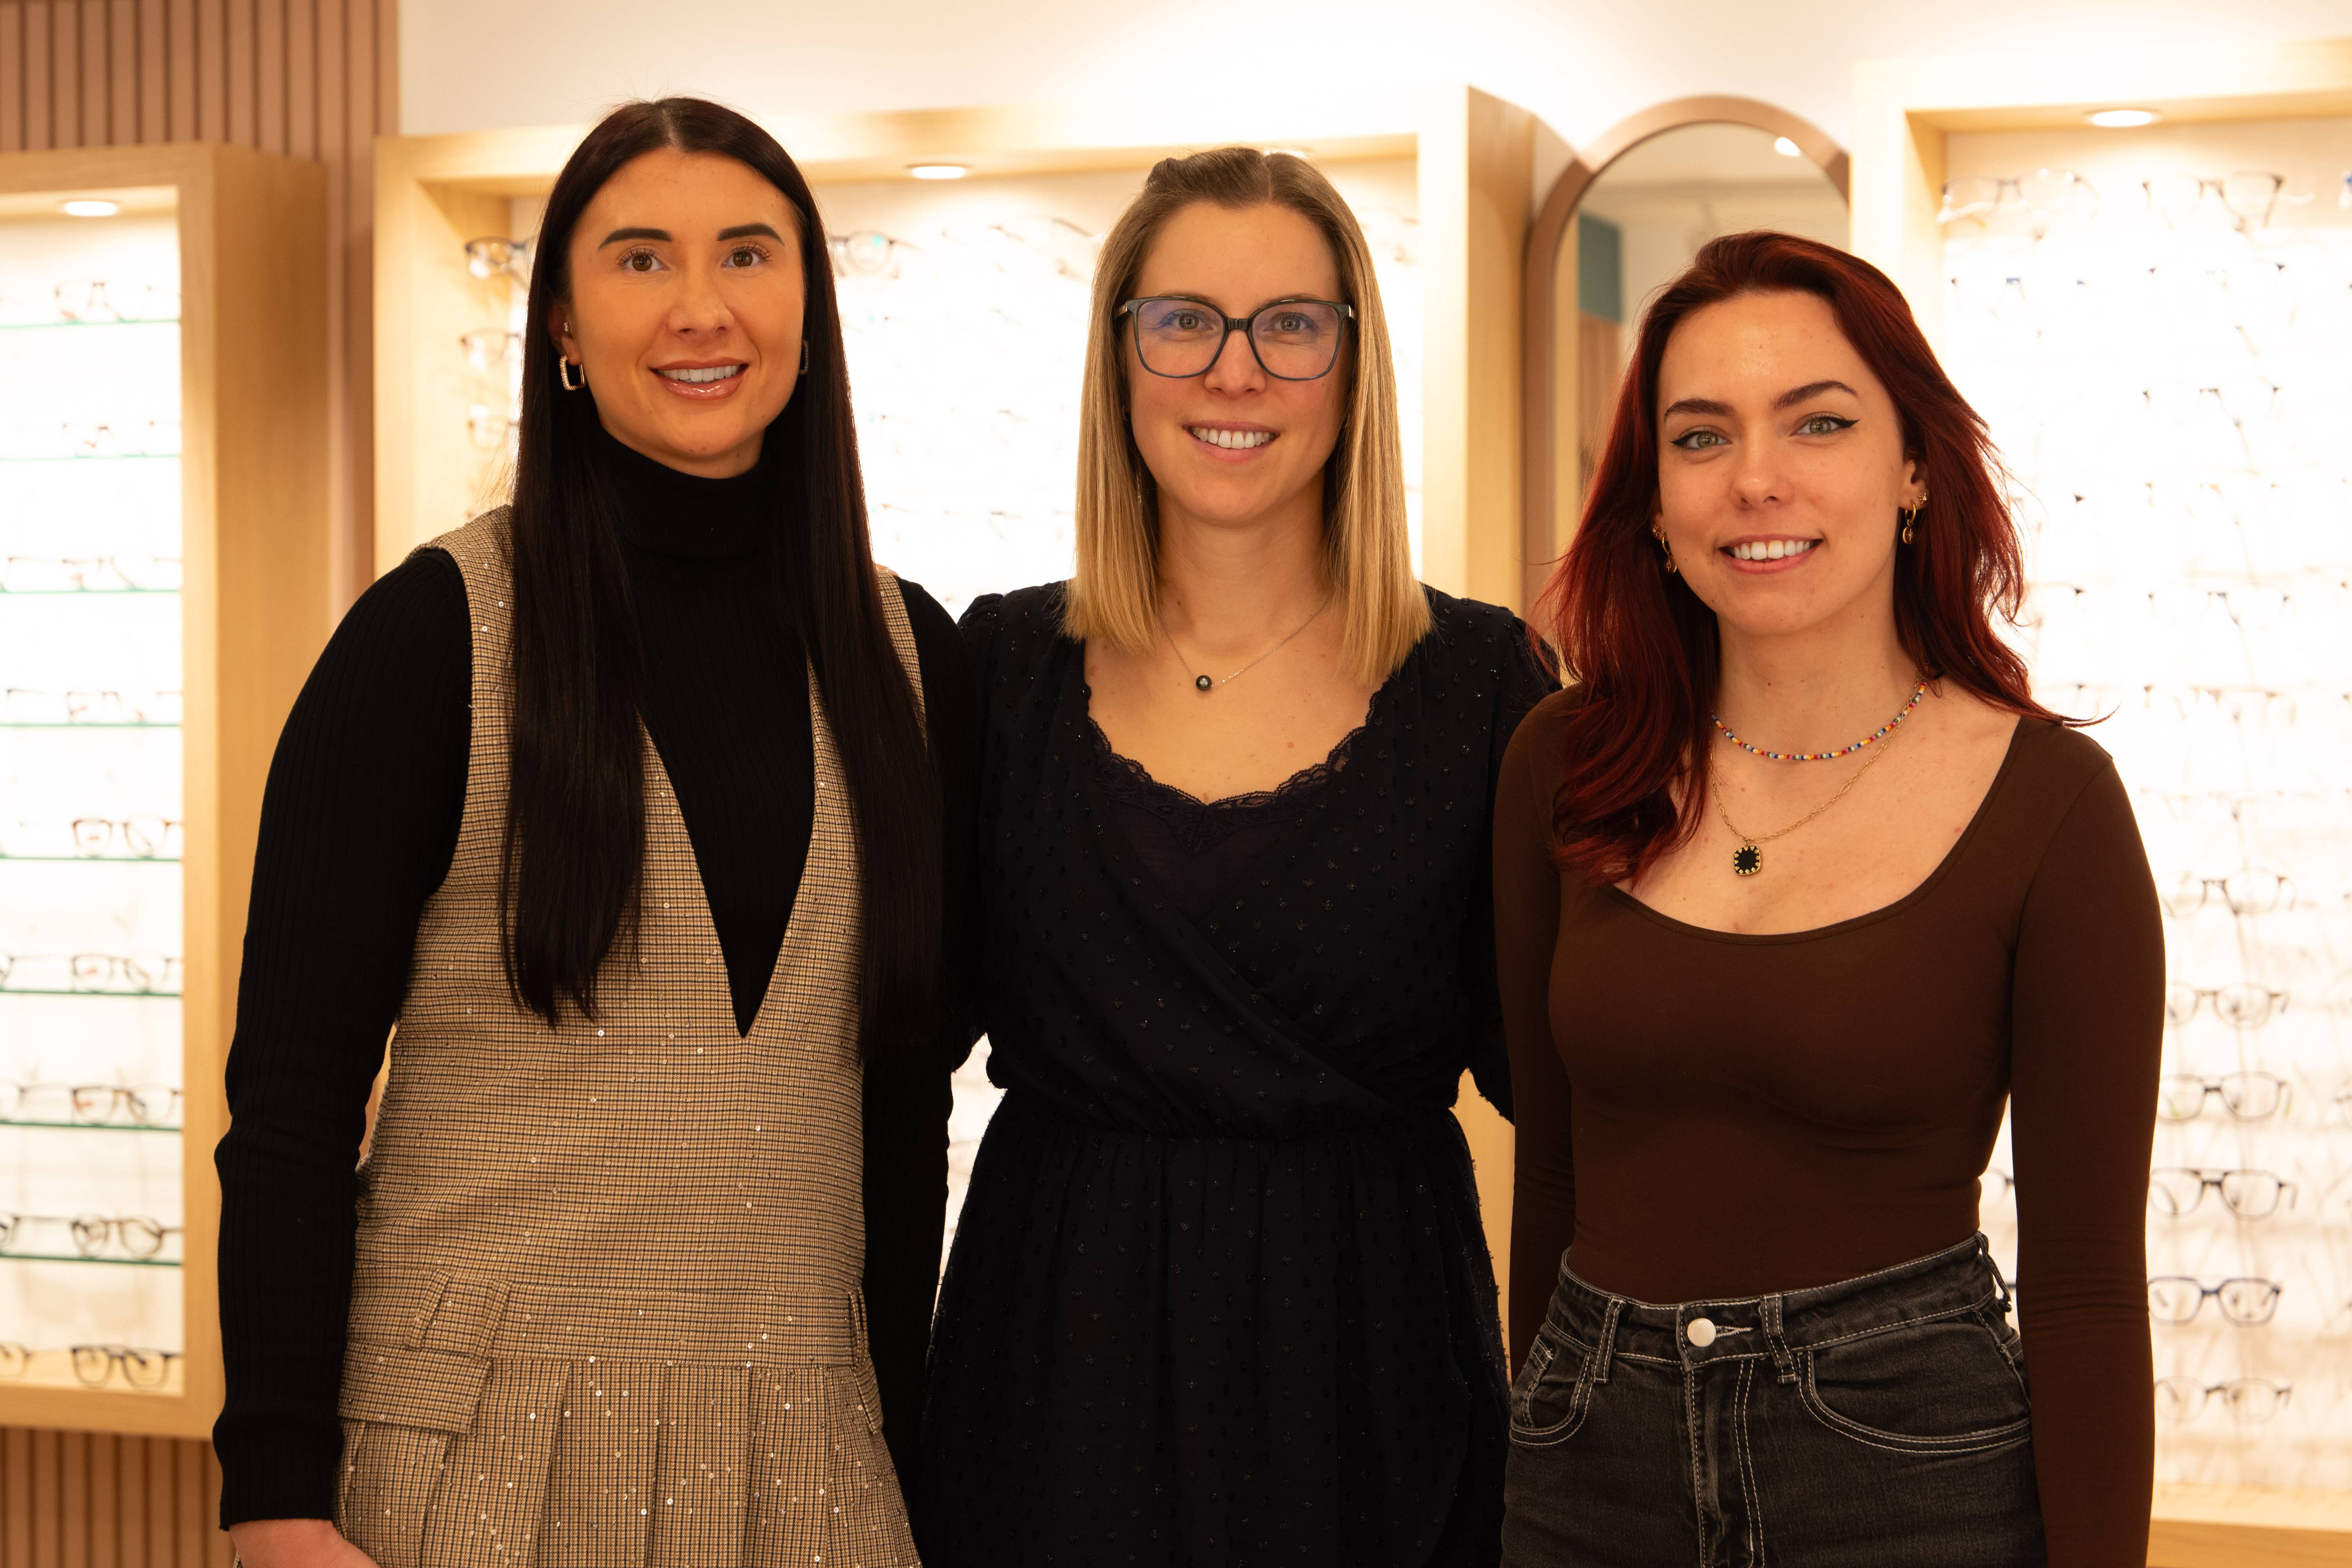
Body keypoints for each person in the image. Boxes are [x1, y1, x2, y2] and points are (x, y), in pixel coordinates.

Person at [213, 98, 973, 1568]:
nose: (702, 307)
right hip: (464, 1473)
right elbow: (295, 1104)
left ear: (809, 306)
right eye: (640, 261)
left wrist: (917, 1462)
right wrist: (278, 1498)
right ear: (563, 318)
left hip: (818, 1469)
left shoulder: (909, 661)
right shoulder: (434, 638)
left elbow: (902, 1114)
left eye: (748, 254)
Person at [918, 147, 1555, 1568]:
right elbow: (887, 1058)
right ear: (1122, 354)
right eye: (1183, 320)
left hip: (1369, 1368)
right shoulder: (1001, 670)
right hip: (1051, 1362)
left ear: (1353, 363)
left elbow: (1565, 1084)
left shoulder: (1482, 685)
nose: (1234, 371)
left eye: (1292, 325)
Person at [1494, 231, 2161, 1567]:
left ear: (1914, 466)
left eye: (1819, 422)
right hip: (1584, 1474)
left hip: (1907, 1470)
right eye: (1700, 436)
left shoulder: (2051, 805)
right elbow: (1553, 1177)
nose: (1756, 480)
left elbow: (2087, 1292)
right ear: (1655, 500)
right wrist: (1545, 1430)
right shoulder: (1562, 764)